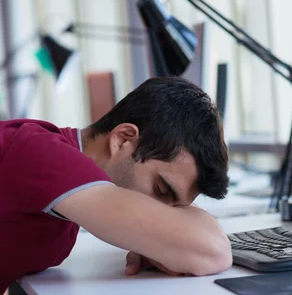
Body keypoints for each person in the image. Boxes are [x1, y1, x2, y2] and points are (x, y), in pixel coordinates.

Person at [0, 77, 232, 290]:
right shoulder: (43, 154)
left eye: (176, 208)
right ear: (122, 140)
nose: (161, 212)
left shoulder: (65, 208)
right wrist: (173, 243)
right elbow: (215, 252)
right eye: (161, 189)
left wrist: (162, 244)